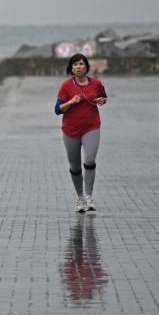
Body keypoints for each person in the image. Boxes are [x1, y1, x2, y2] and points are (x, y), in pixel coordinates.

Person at [55, 53, 107, 213]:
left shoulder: (96, 84)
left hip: (91, 127)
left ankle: (89, 196)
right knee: (75, 166)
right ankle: (80, 198)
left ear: (86, 67)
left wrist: (102, 101)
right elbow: (57, 110)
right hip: (71, 130)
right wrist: (71, 102)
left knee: (90, 160)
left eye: (81, 64)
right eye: (75, 64)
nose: (78, 67)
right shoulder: (66, 86)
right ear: (71, 68)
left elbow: (103, 97)